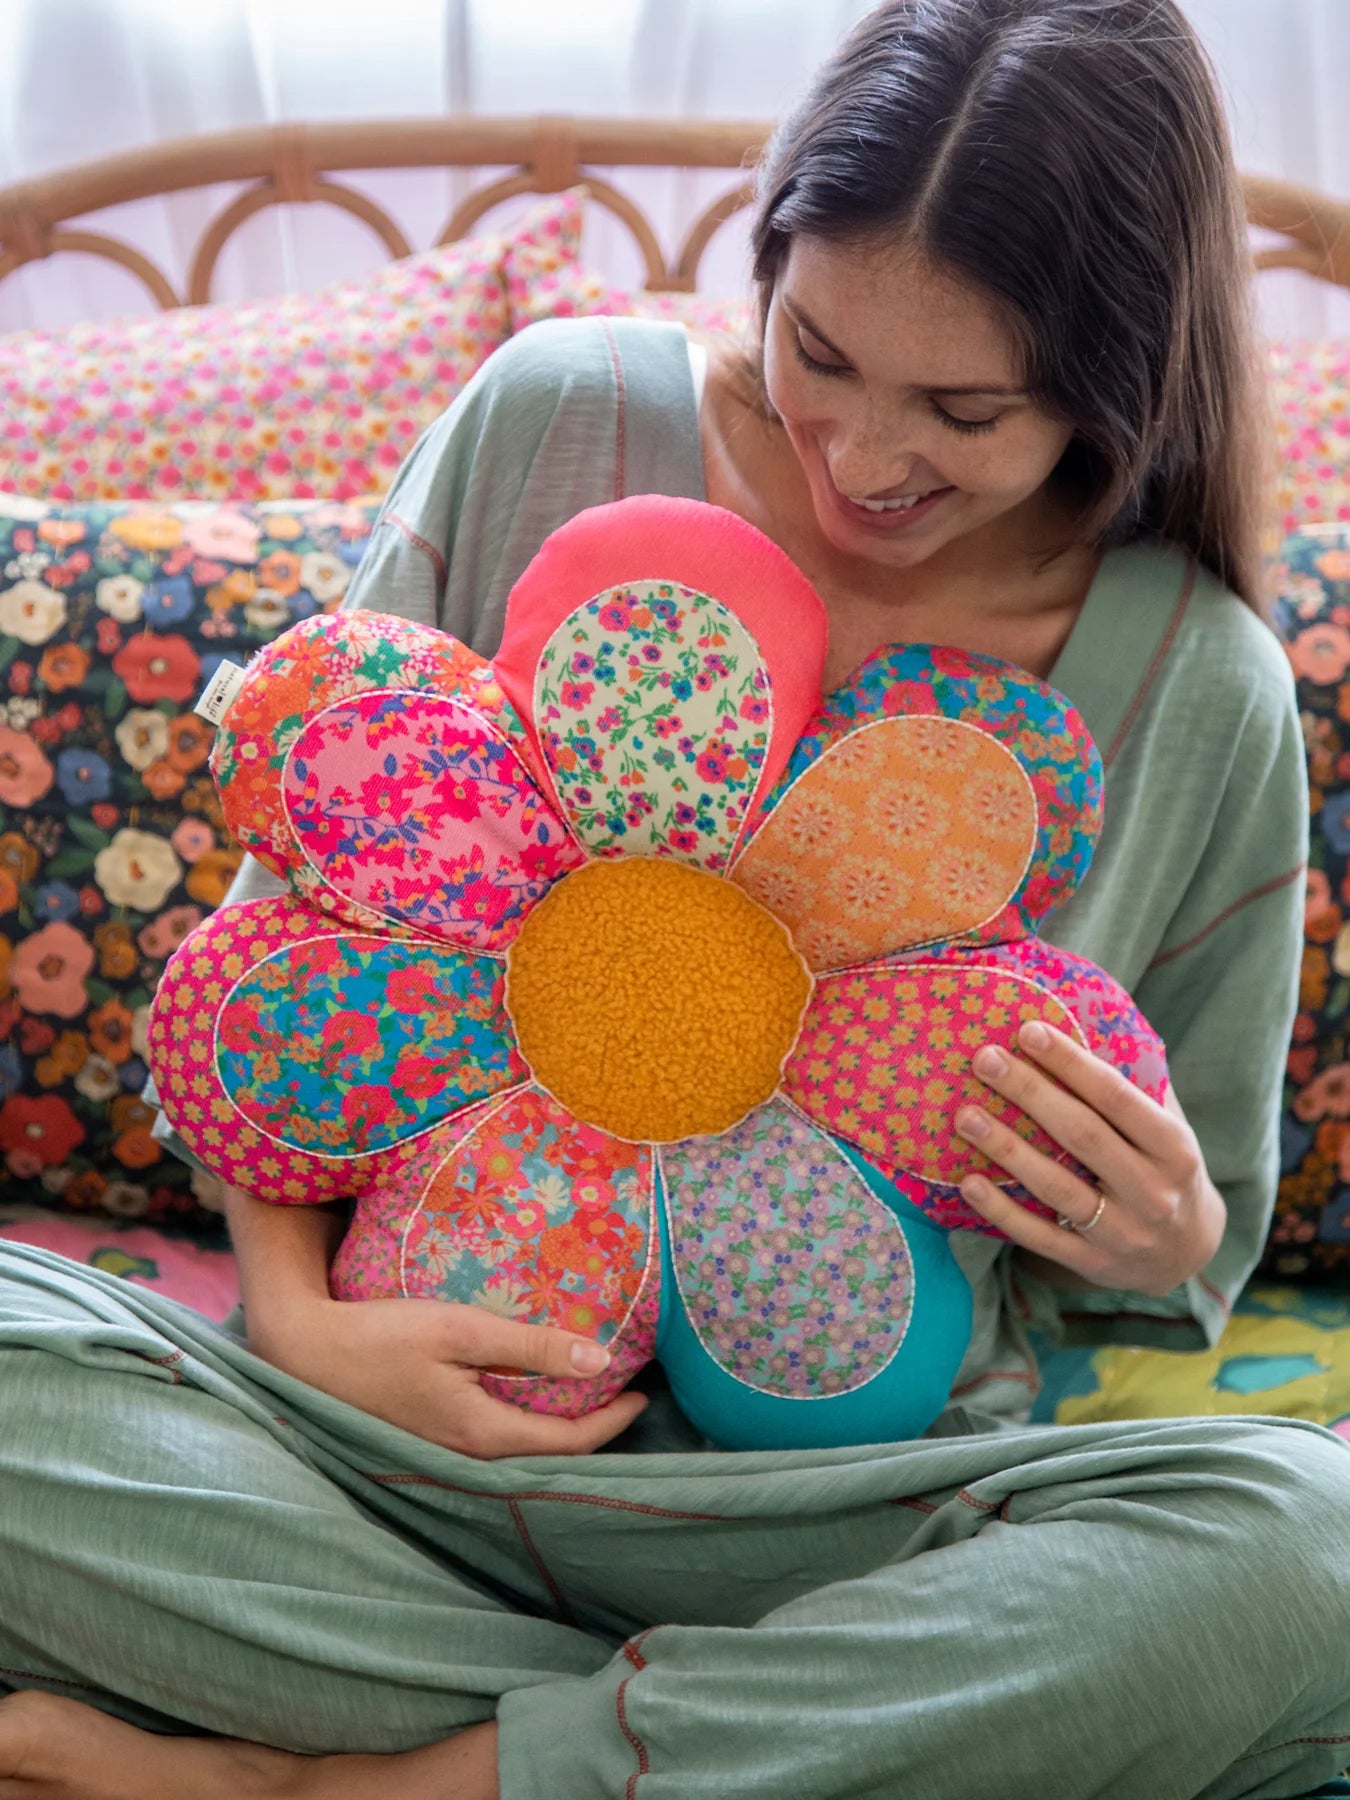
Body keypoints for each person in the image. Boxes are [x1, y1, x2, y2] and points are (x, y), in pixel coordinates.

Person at [2, 1, 1348, 1796]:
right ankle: (733, 1745)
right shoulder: (558, 415)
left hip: (839, 1518)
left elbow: (1195, 1246)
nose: (860, 460)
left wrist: (1165, 1232)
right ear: (768, 251)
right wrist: (307, 1323)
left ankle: (366, 1778)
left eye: (962, 409)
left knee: (1306, 1546)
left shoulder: (1196, 686)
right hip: (357, 1443)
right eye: (821, 350)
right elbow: (296, 903)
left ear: (1117, 383)